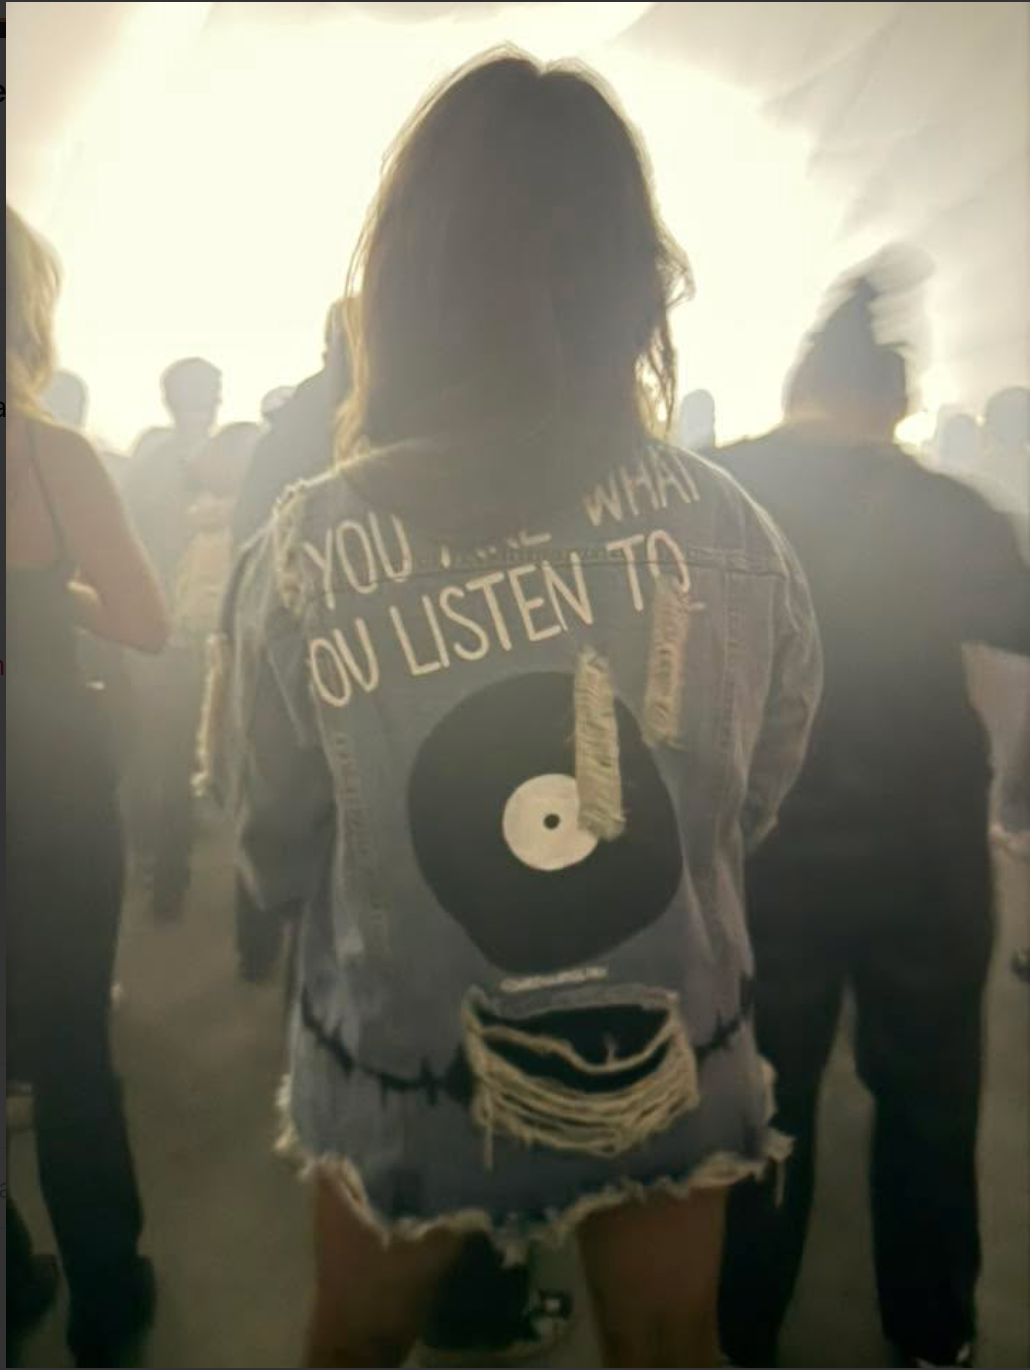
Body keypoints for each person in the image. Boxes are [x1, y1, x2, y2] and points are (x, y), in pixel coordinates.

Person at [216, 52, 822, 1368]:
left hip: (403, 1053)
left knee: (356, 1337)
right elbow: (750, 789)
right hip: (666, 1033)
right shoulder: (730, 531)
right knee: (668, 1337)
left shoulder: (309, 549)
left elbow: (269, 828)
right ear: (631, 289)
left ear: (405, 284)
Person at [715, 261, 1030, 1368]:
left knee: (758, 1100)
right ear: (894, 401)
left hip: (757, 850)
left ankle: (739, 1329)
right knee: (930, 1096)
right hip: (923, 850)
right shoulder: (947, 511)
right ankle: (932, 1332)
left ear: (795, 386)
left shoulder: (716, 494)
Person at [5, 205, 168, 1365]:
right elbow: (147, 623)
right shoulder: (49, 453)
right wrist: (41, 587)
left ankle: (10, 1277)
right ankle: (108, 1299)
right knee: (69, 1047)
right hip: (48, 770)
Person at [121, 364, 229, 921]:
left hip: (145, 626)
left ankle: (154, 864)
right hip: (186, 632)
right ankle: (168, 875)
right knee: (178, 752)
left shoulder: (145, 465)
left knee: (155, 751)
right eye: (212, 396)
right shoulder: (217, 465)